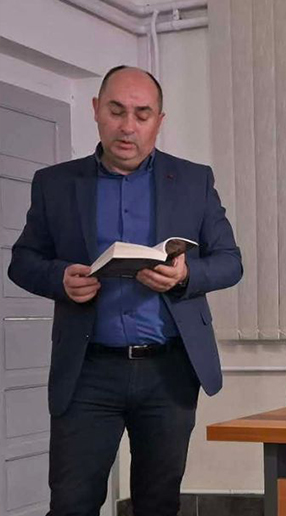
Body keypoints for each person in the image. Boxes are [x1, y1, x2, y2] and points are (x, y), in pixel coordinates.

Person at [8, 66, 243, 516]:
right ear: (96, 110)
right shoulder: (55, 183)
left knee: (158, 503)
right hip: (88, 370)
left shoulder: (193, 181)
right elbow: (23, 260)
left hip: (169, 371)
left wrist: (184, 276)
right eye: (116, 111)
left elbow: (230, 261)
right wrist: (60, 278)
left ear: (159, 120)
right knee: (72, 503)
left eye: (142, 114)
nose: (128, 126)